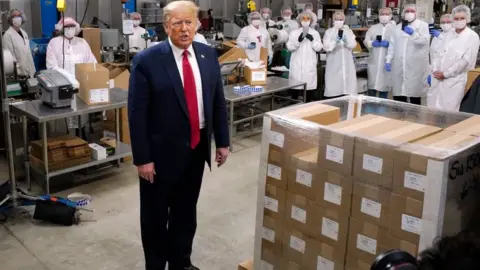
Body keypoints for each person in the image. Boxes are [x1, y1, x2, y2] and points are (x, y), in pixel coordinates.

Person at [128, 1, 230, 270]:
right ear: (166, 26)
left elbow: (217, 101)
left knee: (186, 212)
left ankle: (181, 262)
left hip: (196, 149)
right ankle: (156, 266)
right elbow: (136, 115)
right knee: (155, 217)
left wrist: (223, 141)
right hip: (159, 156)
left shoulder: (208, 55)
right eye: (177, 23)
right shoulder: (147, 62)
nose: (184, 29)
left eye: (189, 22)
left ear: (198, 24)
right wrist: (143, 159)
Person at [427, 5, 480, 111]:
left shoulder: (472, 37)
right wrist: (434, 70)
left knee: (449, 111)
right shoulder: (448, 34)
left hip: (454, 81)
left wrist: (446, 74)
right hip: (437, 78)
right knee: (432, 110)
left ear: (467, 19)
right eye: (456, 18)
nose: (459, 21)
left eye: (462, 18)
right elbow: (438, 54)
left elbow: (465, 61)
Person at [385, 4, 429, 105]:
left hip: (415, 66)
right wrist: (388, 59)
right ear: (403, 13)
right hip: (399, 64)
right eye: (407, 11)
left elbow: (424, 42)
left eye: (412, 11)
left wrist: (413, 34)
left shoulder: (423, 26)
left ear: (416, 13)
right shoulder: (397, 27)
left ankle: (414, 117)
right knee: (399, 93)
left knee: (414, 94)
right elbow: (392, 45)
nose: (409, 13)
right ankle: (399, 117)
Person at [286, 11, 323, 102]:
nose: (305, 20)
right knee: (295, 86)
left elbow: (319, 48)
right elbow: (289, 47)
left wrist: (313, 41)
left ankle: (307, 105)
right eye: (303, 18)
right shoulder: (294, 33)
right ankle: (293, 103)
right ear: (299, 20)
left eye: (308, 18)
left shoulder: (315, 33)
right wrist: (298, 41)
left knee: (308, 87)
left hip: (309, 64)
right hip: (297, 64)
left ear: (311, 21)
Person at [323, 11, 358, 98]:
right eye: (337, 19)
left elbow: (353, 44)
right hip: (333, 63)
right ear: (333, 20)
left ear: (344, 20)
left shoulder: (348, 31)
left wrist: (346, 41)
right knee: (333, 87)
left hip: (347, 63)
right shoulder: (329, 32)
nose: (339, 21)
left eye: (341, 19)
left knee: (348, 87)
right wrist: (335, 41)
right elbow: (326, 47)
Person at [364, 7, 396, 99]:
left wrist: (389, 44)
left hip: (387, 62)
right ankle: (370, 103)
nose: (384, 16)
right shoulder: (373, 28)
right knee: (372, 84)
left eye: (386, 14)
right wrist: (372, 43)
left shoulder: (395, 29)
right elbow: (366, 40)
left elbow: (398, 44)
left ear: (391, 16)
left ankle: (382, 105)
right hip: (374, 60)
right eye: (382, 14)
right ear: (378, 16)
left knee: (384, 85)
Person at [2, 9, 36, 78]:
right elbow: (9, 60)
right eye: (14, 16)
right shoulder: (8, 35)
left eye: (19, 16)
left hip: (30, 71)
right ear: (10, 19)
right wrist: (18, 74)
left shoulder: (24, 33)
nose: (18, 18)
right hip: (19, 75)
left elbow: (27, 53)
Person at [429, 14, 454, 82]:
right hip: (435, 72)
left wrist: (440, 37)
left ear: (453, 23)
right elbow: (433, 54)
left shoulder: (455, 35)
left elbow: (450, 48)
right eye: (443, 22)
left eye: (448, 22)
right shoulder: (436, 36)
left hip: (447, 73)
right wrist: (431, 70)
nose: (445, 24)